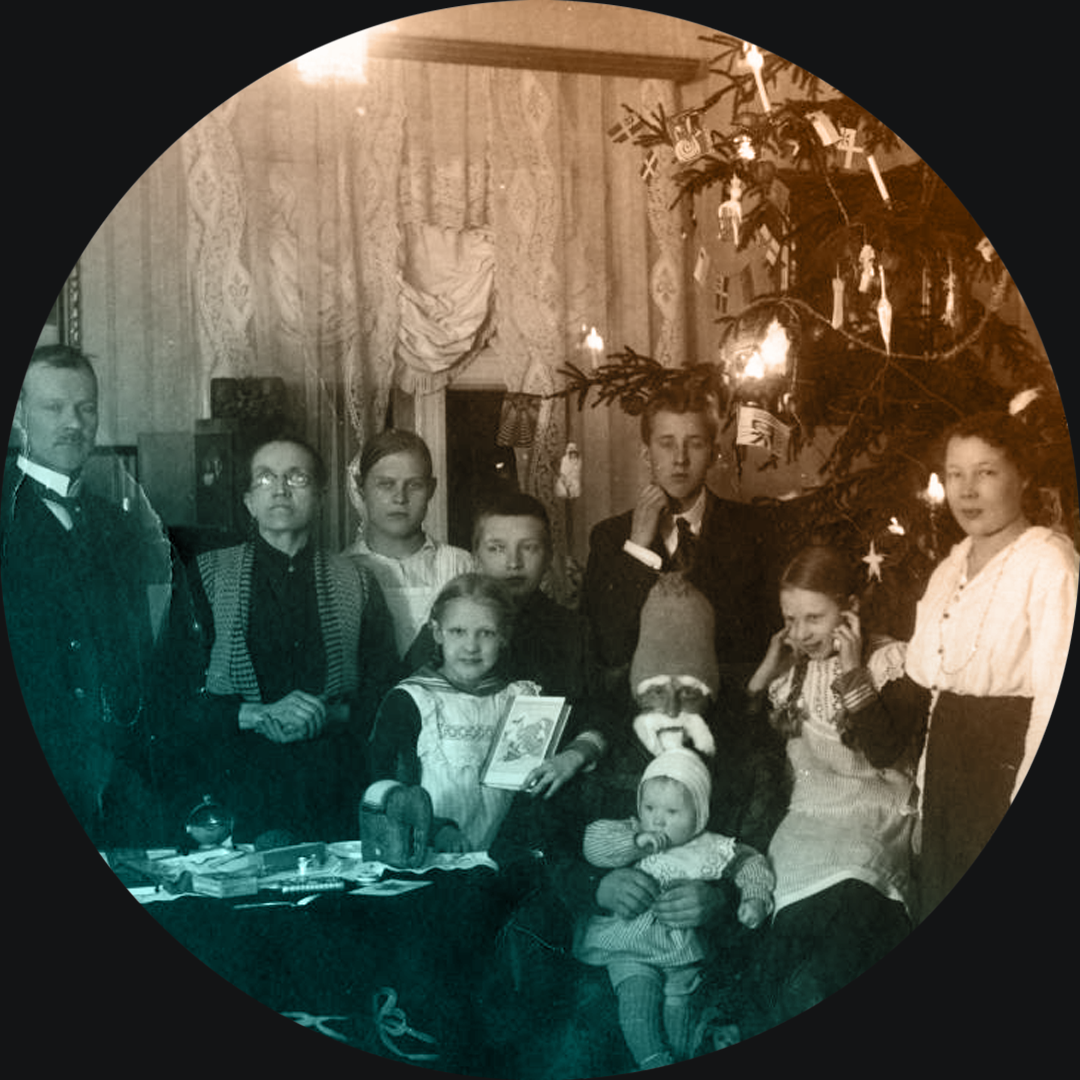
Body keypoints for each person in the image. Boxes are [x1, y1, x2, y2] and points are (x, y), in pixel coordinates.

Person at [177, 436, 399, 841]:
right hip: (238, 786)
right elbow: (173, 693)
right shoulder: (207, 576)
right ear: (248, 501)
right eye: (265, 478)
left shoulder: (357, 581)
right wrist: (255, 714)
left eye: (297, 477)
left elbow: (385, 694)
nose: (280, 489)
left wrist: (327, 715)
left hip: (334, 787)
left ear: (320, 497)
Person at [904, 408, 1078, 919]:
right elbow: (940, 697)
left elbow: (1056, 699)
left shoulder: (1049, 563)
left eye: (986, 472)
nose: (967, 491)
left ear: (1022, 476)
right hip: (948, 774)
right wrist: (924, 795)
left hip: (1008, 767)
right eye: (954, 474)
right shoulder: (949, 567)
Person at [744, 545, 920, 1030]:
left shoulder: (890, 662)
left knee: (844, 916)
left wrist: (853, 668)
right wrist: (764, 672)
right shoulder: (789, 673)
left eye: (814, 618)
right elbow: (749, 746)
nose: (801, 633)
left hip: (873, 814)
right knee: (792, 930)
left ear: (850, 609)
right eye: (790, 619)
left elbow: (882, 751)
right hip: (808, 819)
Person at [2, 345, 173, 847]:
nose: (73, 423)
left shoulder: (120, 526)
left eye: (86, 408)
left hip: (116, 777)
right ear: (19, 414)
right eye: (54, 408)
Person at [582, 383, 776, 720]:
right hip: (640, 719)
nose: (680, 459)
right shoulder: (610, 537)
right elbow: (608, 647)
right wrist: (638, 546)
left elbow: (762, 642)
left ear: (714, 453)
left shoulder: (754, 529)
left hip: (732, 717)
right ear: (647, 454)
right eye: (667, 443)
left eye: (695, 444)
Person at [575, 747, 774, 1069]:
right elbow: (592, 844)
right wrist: (634, 842)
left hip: (682, 950)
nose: (657, 819)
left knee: (679, 1004)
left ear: (699, 815)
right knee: (637, 993)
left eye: (672, 812)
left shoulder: (711, 846)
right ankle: (652, 1060)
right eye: (649, 807)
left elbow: (752, 863)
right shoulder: (634, 833)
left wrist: (755, 898)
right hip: (630, 942)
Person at [407, 491, 603, 798]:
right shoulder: (448, 630)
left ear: (549, 556)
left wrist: (575, 754)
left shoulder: (572, 630)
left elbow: (600, 713)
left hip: (545, 795)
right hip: (454, 796)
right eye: (497, 548)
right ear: (475, 556)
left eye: (529, 548)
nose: (514, 563)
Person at [368, 572, 540, 853]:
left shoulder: (518, 700)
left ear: (504, 637)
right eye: (458, 631)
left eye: (486, 633)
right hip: (428, 851)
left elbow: (525, 796)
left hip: (498, 853)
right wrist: (435, 831)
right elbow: (387, 789)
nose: (471, 646)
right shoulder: (413, 700)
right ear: (437, 632)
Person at [346, 429, 473, 659]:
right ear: (361, 488)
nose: (400, 498)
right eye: (386, 484)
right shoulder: (342, 571)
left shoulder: (462, 566)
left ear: (431, 489)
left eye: (414, 485)